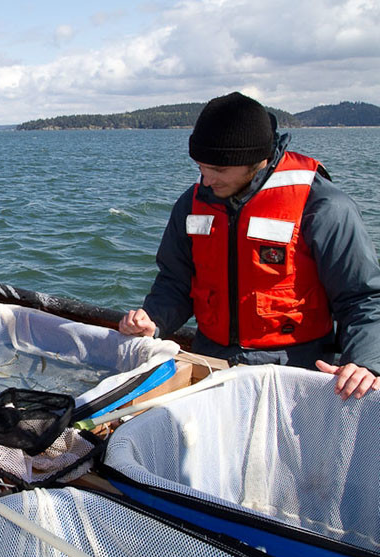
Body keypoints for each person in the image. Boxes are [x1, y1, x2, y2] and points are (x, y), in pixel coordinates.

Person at [119, 91, 380, 400]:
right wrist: (154, 320)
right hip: (211, 365)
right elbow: (176, 281)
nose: (206, 180)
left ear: (257, 160)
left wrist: (366, 363)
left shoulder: (323, 205)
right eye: (201, 167)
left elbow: (363, 297)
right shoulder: (191, 203)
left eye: (218, 170)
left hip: (295, 375)